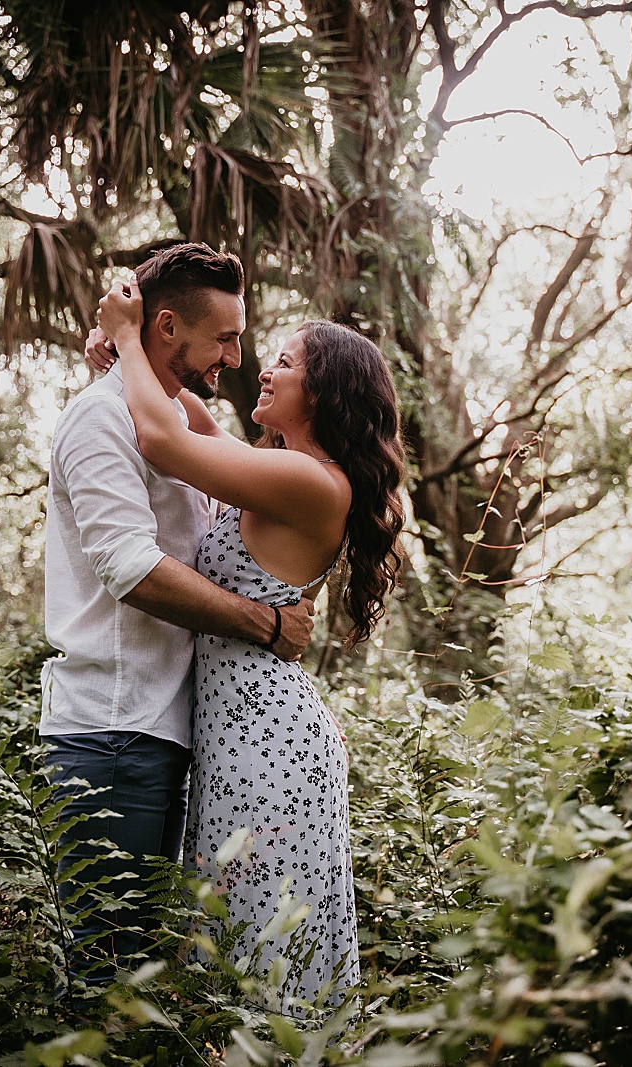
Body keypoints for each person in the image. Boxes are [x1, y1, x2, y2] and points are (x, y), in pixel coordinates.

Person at [93, 279, 406, 1009]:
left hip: (267, 738)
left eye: (288, 363)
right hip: (244, 731)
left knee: (259, 936)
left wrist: (131, 337)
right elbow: (192, 419)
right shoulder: (288, 471)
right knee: (239, 931)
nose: (265, 366)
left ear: (326, 393)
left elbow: (168, 442)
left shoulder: (312, 482)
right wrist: (122, 362)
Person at [40, 242, 316, 986]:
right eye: (223, 338)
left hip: (165, 738)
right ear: (166, 327)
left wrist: (120, 344)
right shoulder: (101, 422)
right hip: (110, 734)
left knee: (143, 979)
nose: (235, 355)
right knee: (107, 975)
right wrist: (265, 623)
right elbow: (131, 568)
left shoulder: (168, 421)